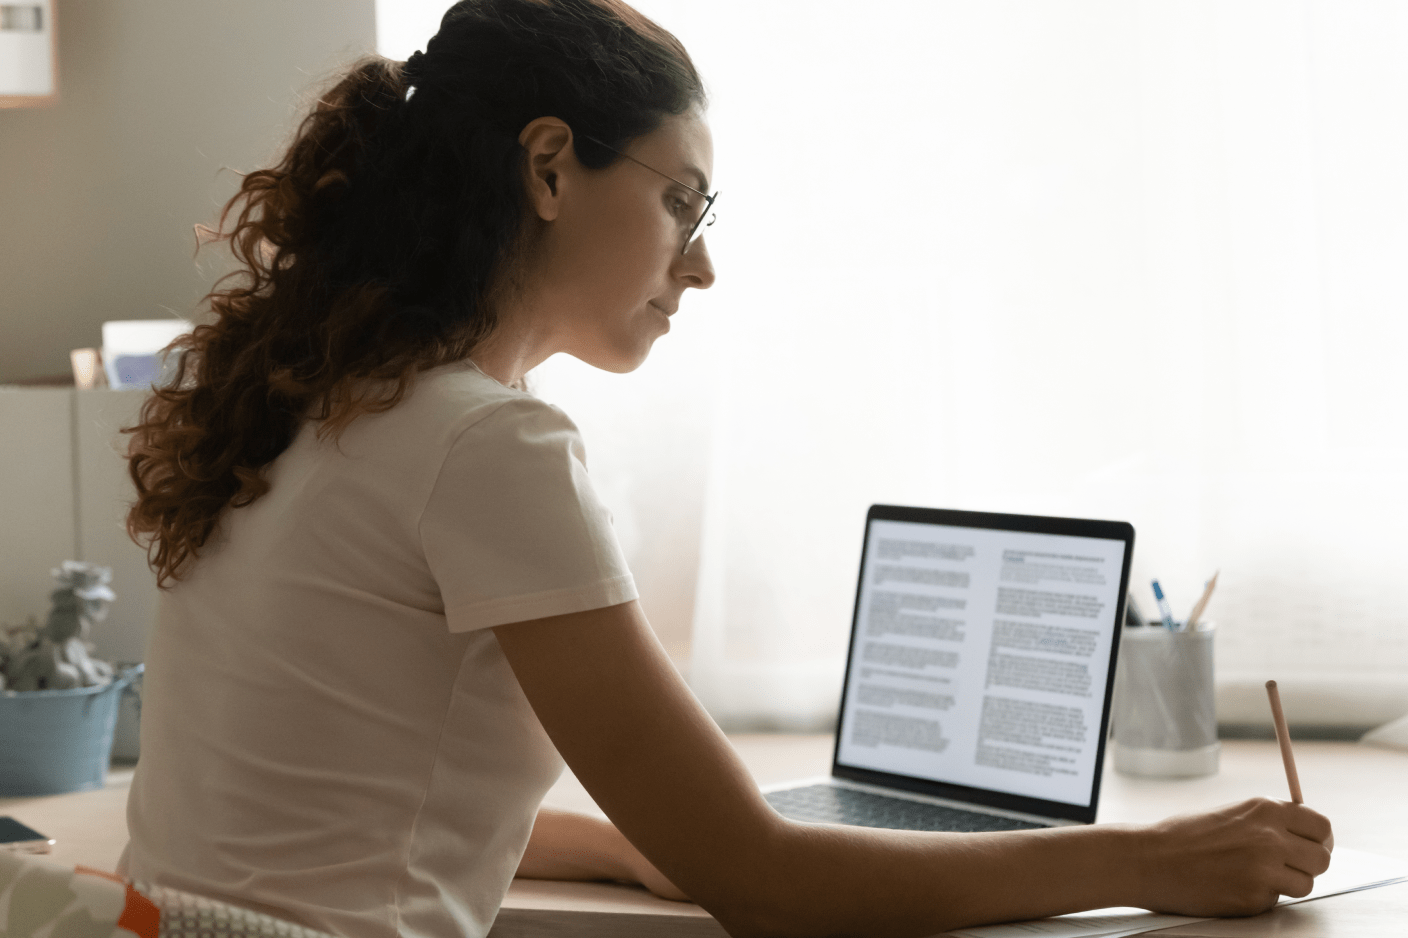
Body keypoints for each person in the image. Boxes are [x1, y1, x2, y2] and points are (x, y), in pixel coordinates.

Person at [119, 1, 1333, 937]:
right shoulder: (488, 444)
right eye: (682, 204)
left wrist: (641, 841)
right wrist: (1147, 859)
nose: (697, 268)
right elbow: (764, 881)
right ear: (548, 169)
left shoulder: (317, 405)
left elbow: (345, 806)